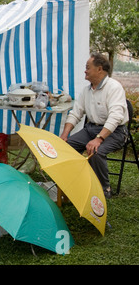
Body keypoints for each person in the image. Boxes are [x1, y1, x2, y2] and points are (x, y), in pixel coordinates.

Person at [60, 53, 129, 198]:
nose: (85, 71)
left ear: (99, 69)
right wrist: (65, 135)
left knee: (97, 152)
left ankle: (104, 190)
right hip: (91, 128)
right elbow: (76, 113)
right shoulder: (86, 90)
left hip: (116, 132)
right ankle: (73, 183)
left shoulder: (114, 87)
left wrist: (99, 139)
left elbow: (116, 117)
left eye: (87, 67)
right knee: (65, 147)